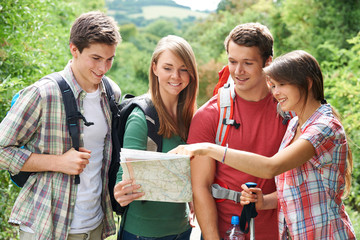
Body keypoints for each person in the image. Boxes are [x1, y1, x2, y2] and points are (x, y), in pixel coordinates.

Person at [171, 50, 356, 239]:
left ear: (307, 82)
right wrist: (264, 201)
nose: (276, 92)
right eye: (273, 85)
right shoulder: (295, 124)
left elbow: (271, 167)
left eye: (282, 84)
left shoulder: (324, 128)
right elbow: (301, 187)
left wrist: (207, 148)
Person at [0, 11, 122, 239]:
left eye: (110, 59)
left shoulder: (111, 92)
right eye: (96, 59)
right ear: (74, 49)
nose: (103, 68)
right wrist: (58, 162)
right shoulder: (42, 94)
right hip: (46, 226)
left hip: (95, 225)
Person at [177, 23, 288, 239]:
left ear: (268, 62)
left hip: (282, 231)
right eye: (232, 61)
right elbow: (200, 187)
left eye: (247, 63)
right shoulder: (210, 115)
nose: (238, 71)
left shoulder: (288, 110)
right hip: (227, 232)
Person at [113, 35, 199, 239]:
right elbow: (123, 177)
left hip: (182, 230)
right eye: (167, 68)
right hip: (142, 232)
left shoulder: (191, 117)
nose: (176, 76)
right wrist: (121, 192)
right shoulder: (141, 117)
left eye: (183, 69)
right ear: (154, 68)